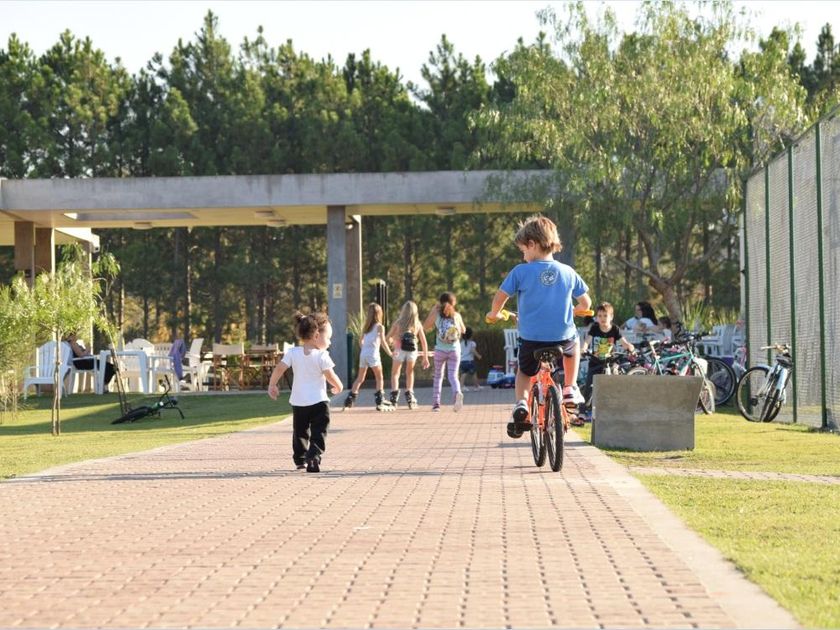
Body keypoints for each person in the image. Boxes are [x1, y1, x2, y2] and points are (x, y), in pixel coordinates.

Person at [486, 215, 592, 438]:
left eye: (523, 250)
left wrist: (494, 314)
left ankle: (521, 403)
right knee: (574, 347)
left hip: (531, 339)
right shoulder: (568, 271)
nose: (523, 256)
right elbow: (586, 303)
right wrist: (577, 310)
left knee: (525, 371)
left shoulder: (520, 272)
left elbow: (500, 298)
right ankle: (570, 388)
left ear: (532, 244)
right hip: (562, 337)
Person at [268, 311, 343, 473]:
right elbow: (330, 375)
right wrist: (339, 386)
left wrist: (272, 385)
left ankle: (300, 459)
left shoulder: (293, 353)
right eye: (328, 338)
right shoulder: (322, 355)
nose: (330, 342)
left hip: (299, 402)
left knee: (300, 432)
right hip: (319, 402)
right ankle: (314, 456)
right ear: (316, 335)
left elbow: (279, 368)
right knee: (319, 431)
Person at [581, 302, 635, 417]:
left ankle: (616, 410)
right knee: (589, 387)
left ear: (611, 317)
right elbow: (587, 340)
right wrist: (584, 348)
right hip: (595, 361)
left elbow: (624, 342)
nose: (602, 318)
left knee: (613, 385)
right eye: (599, 316)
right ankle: (583, 412)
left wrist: (630, 347)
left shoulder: (614, 329)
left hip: (609, 362)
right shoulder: (595, 328)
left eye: (605, 315)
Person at [343, 302, 394, 411]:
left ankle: (349, 401)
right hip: (373, 354)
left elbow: (360, 341)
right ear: (379, 313)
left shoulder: (366, 327)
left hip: (364, 354)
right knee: (379, 377)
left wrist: (365, 349)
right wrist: (390, 353)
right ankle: (380, 401)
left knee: (360, 378)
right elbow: (383, 342)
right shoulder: (380, 327)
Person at [423, 292, 466, 412]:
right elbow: (463, 330)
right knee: (453, 376)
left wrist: (433, 310)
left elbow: (425, 326)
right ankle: (457, 393)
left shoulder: (437, 315)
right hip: (454, 350)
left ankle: (436, 404)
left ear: (440, 302)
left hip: (440, 350)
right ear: (453, 303)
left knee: (438, 376)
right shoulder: (456, 315)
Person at [386, 300, 430, 409]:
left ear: (403, 311)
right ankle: (410, 395)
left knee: (395, 373)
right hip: (412, 350)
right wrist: (425, 357)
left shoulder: (398, 323)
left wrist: (392, 342)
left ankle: (394, 397)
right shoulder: (417, 324)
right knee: (409, 372)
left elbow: (387, 338)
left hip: (399, 350)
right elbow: (424, 342)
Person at [459, 327, 483, 392]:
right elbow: (473, 351)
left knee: (463, 374)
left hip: (462, 361)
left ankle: (461, 387)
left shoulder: (461, 343)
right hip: (469, 361)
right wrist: (478, 356)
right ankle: (476, 386)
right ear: (471, 335)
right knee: (474, 374)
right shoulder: (472, 343)